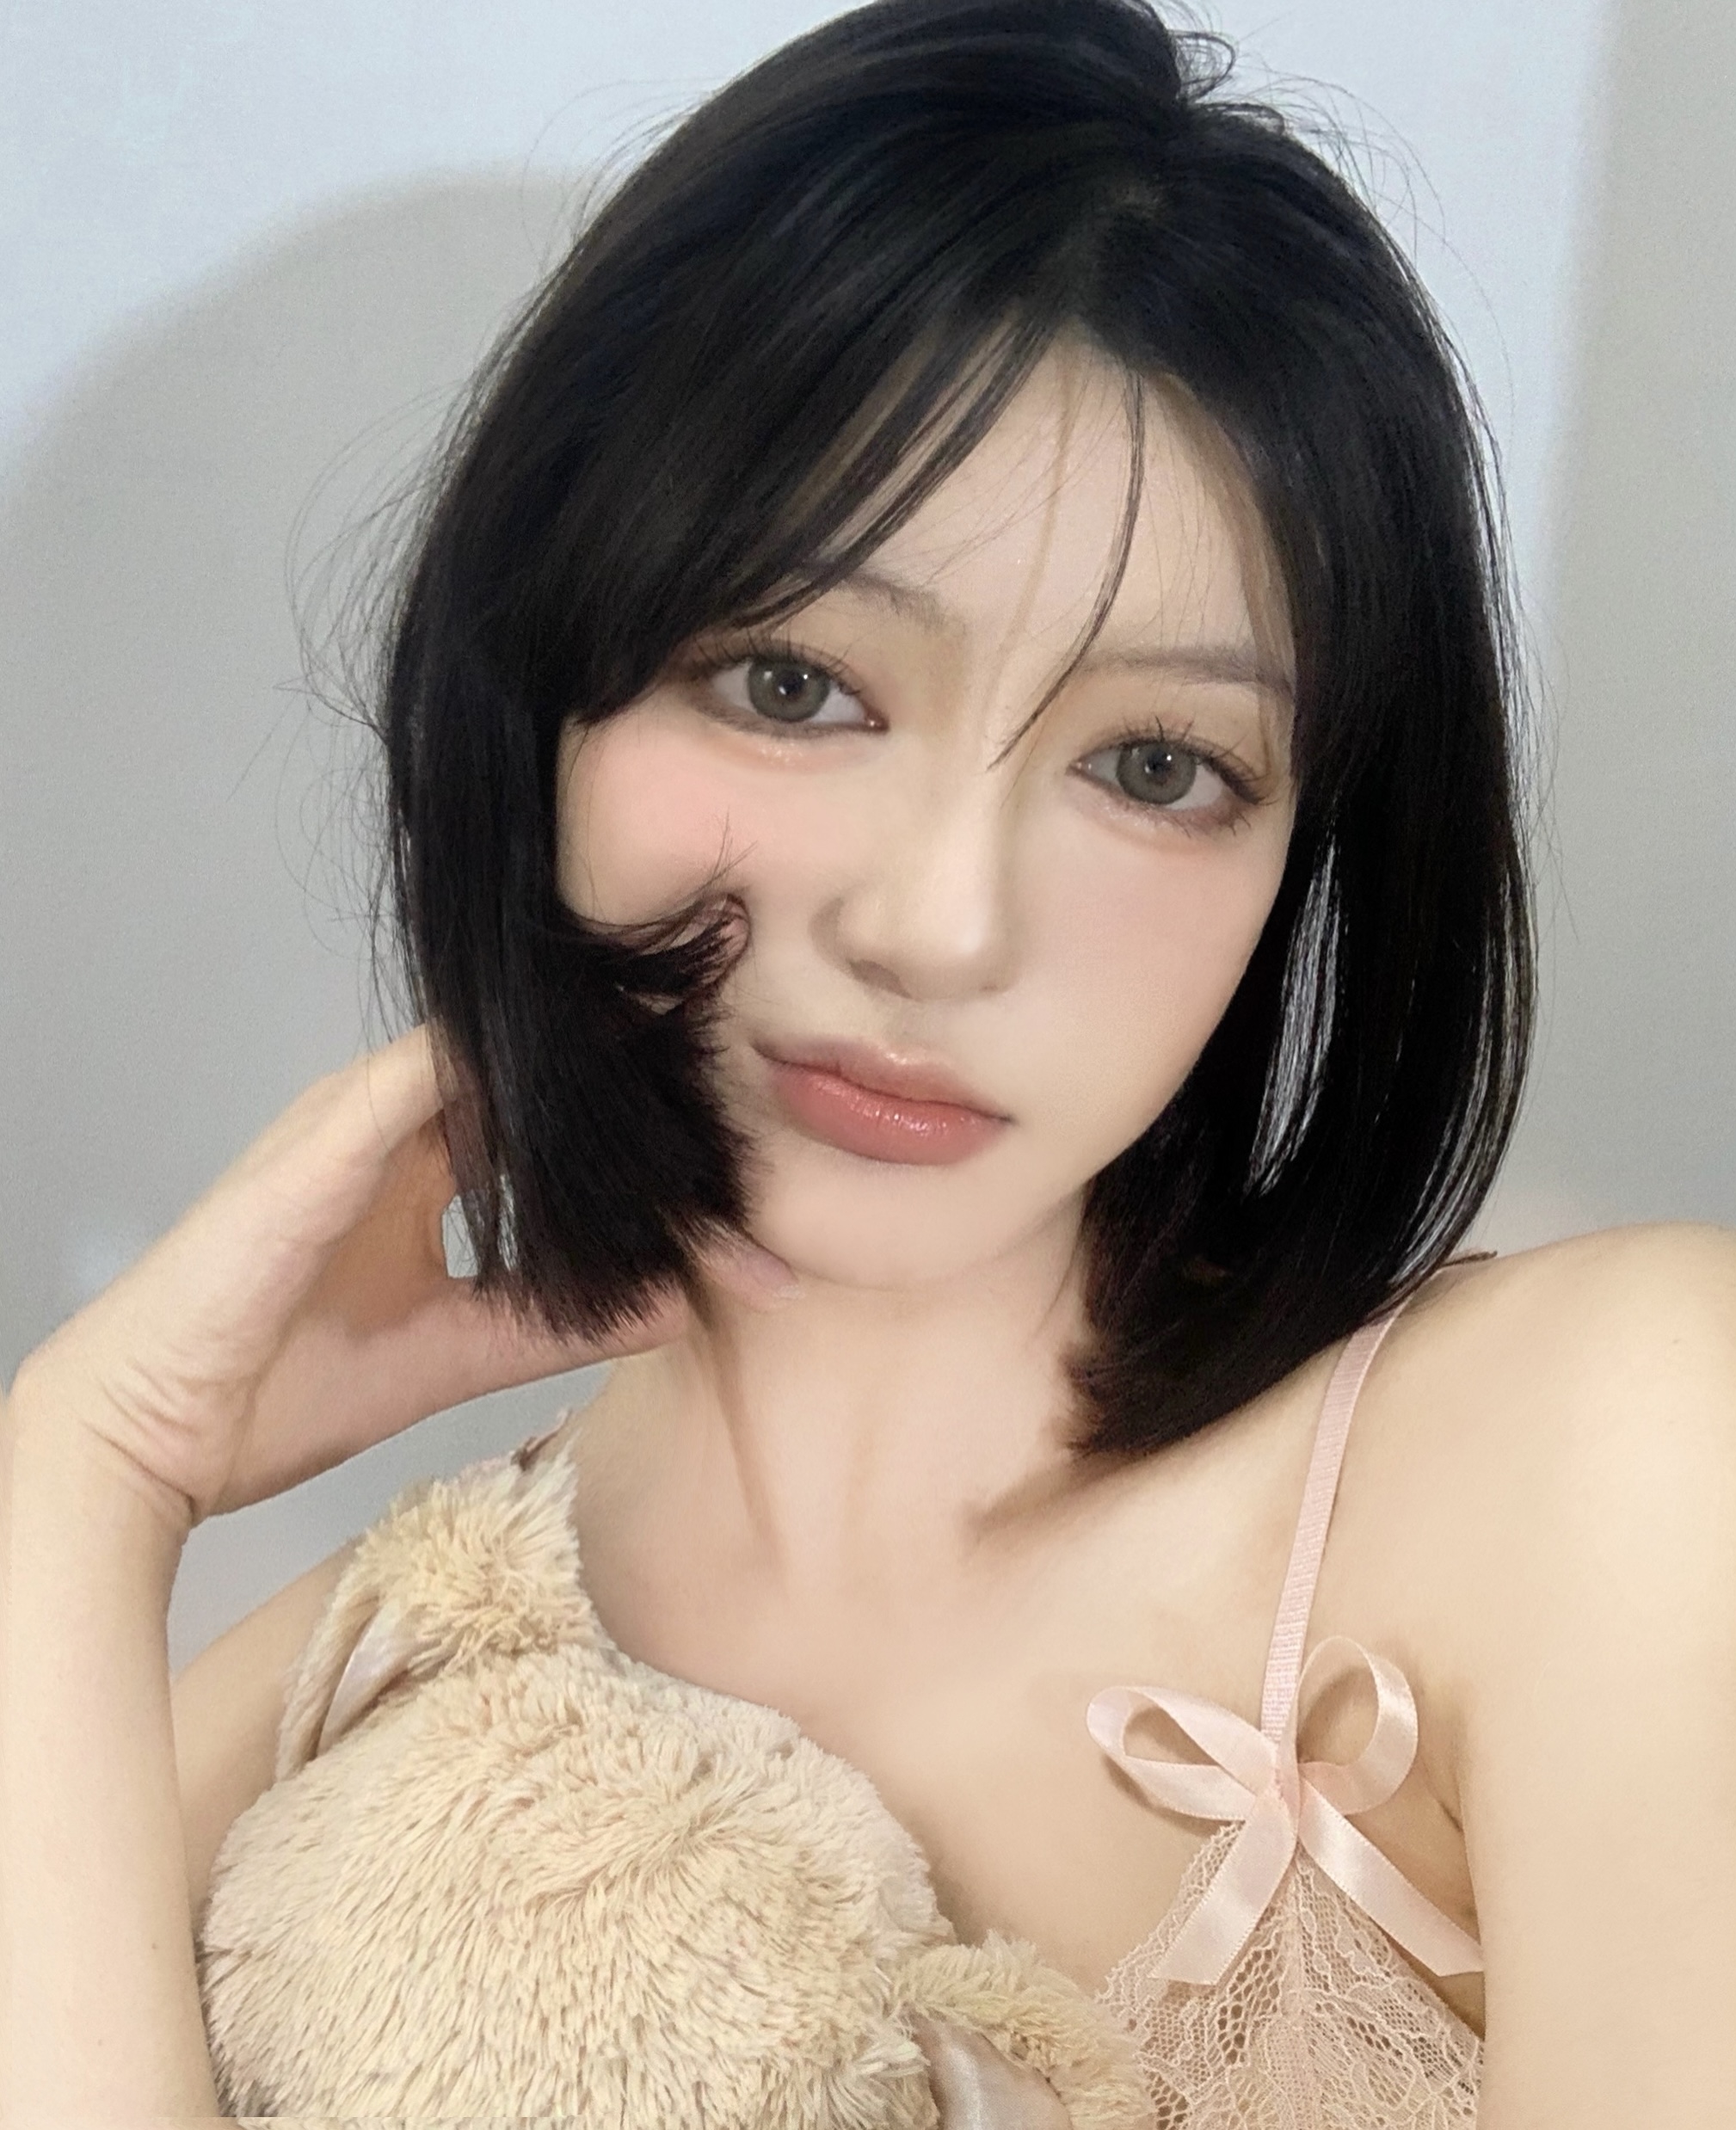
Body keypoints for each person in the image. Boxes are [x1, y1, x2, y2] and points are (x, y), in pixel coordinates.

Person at [3, 0, 1733, 2121]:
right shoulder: (332, 1704)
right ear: (542, 695)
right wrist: (82, 1472)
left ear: (1309, 856)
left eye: (1157, 764)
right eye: (793, 683)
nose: (941, 923)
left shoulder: (1604, 1457)